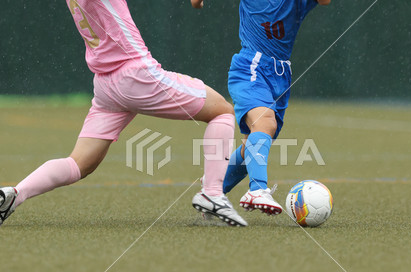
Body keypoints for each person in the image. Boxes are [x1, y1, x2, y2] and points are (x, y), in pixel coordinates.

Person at [0, 0, 247, 227]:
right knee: (222, 112)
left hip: (106, 84)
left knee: (79, 163)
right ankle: (212, 193)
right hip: (135, 75)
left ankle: (15, 194)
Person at [192, 0, 331, 215]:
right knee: (265, 124)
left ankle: (213, 191)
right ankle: (257, 190)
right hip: (251, 67)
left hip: (281, 74)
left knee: (255, 144)